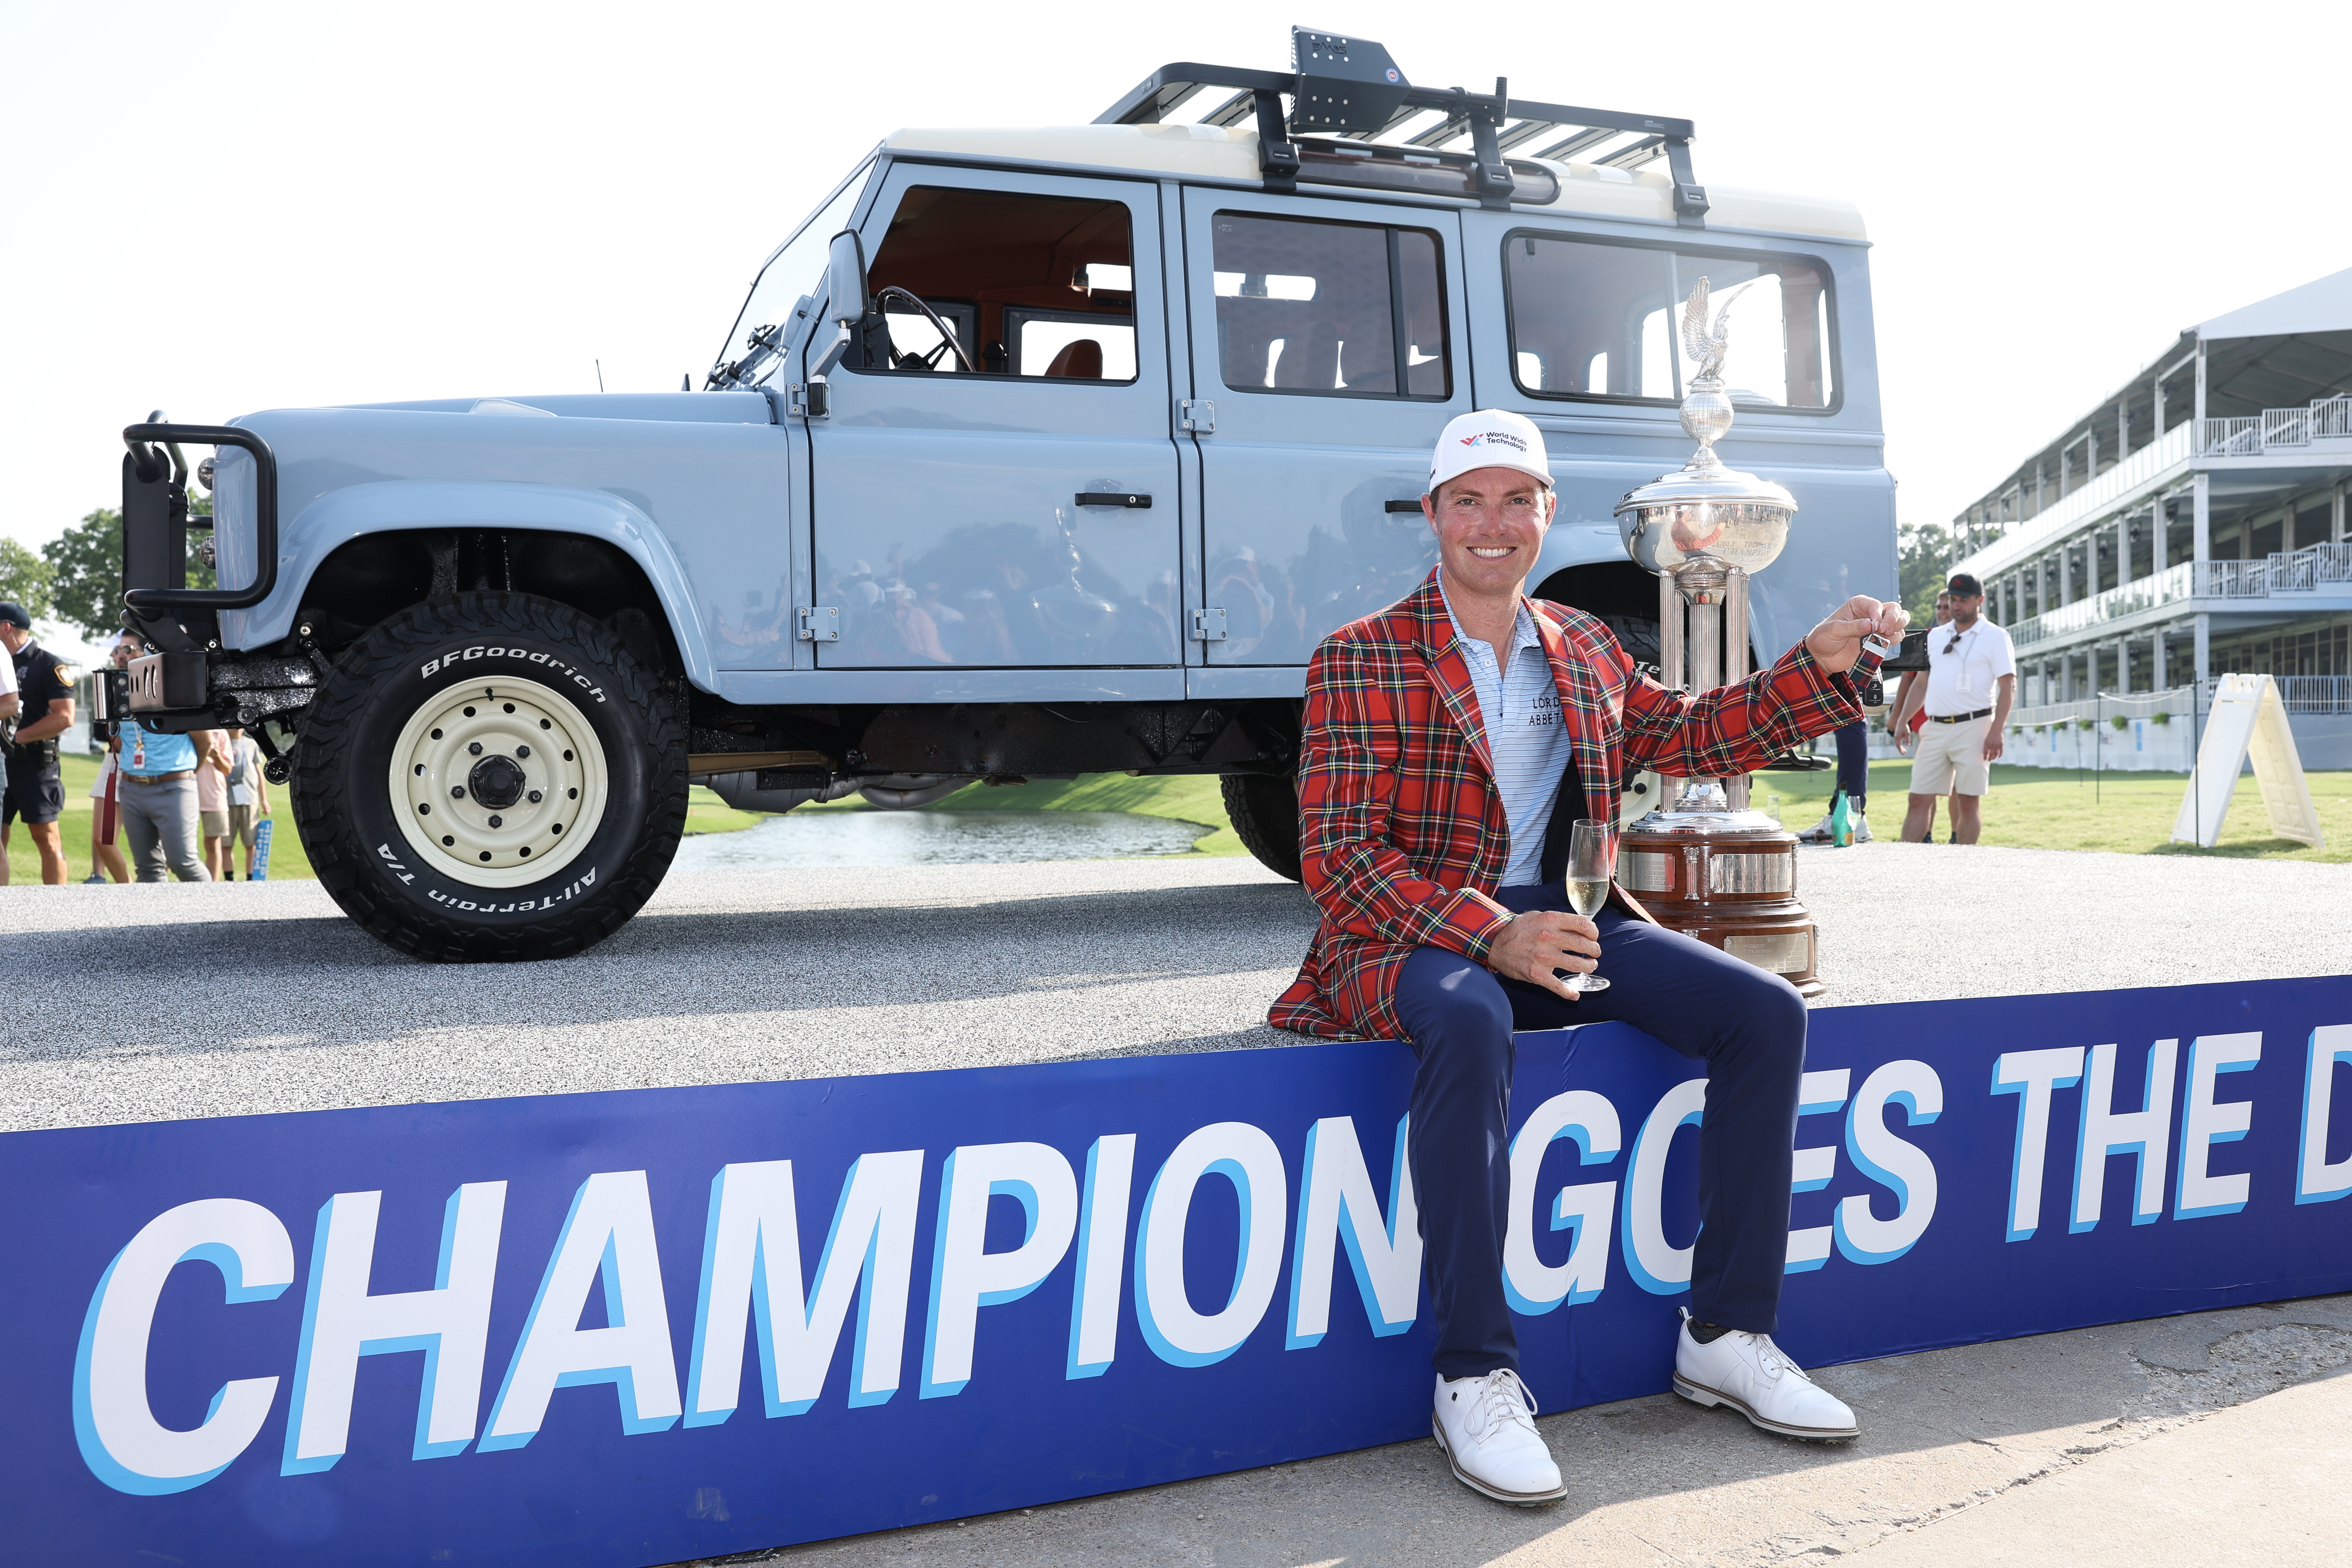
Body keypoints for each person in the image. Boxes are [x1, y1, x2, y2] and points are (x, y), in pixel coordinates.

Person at [1271, 411, 1906, 1507]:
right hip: (1409, 931)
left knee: (1766, 1014)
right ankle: (1474, 1376)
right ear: (1434, 515)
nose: (1494, 523)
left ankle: (1726, 1335)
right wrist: (1490, 933)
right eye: (1470, 500)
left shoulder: (1586, 645)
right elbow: (1339, 859)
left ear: (1547, 513)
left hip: (1565, 916)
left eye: (1518, 500)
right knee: (1471, 1016)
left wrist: (1814, 667)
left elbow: (1697, 732)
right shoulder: (1359, 654)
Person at [1890, 573, 2014, 846]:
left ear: (1980, 600)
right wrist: (1903, 721)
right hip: (1934, 727)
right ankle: (1903, 862)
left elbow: (2009, 686)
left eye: (1964, 600)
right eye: (1953, 600)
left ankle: (1964, 863)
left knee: (1968, 803)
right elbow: (1920, 684)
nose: (1957, 606)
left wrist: (1997, 730)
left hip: (1975, 727)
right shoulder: (1935, 636)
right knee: (1918, 799)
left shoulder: (1996, 636)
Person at [1, 602, 76, 885]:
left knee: (47, 839)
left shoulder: (48, 664)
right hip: (2, 762)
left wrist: (16, 738)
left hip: (34, 764)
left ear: (6, 627)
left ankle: (57, 908)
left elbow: (65, 717)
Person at [115, 706, 218, 882]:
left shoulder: (179, 693)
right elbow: (120, 740)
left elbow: (204, 741)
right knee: (147, 869)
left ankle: (212, 901)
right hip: (131, 787)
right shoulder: (120, 694)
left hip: (175, 787)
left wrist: (185, 775)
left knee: (183, 863)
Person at [84, 633, 141, 884]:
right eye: (117, 650)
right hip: (116, 760)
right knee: (102, 838)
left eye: (127, 649)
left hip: (155, 764)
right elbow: (105, 735)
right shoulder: (109, 682)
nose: (119, 655)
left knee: (160, 850)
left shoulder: (160, 681)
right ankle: (127, 889)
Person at [220, 726, 271, 878]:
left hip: (249, 799)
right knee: (226, 843)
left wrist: (264, 800)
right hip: (225, 800)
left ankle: (250, 877)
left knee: (250, 842)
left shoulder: (251, 744)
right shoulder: (221, 742)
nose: (236, 728)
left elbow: (259, 773)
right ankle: (229, 878)